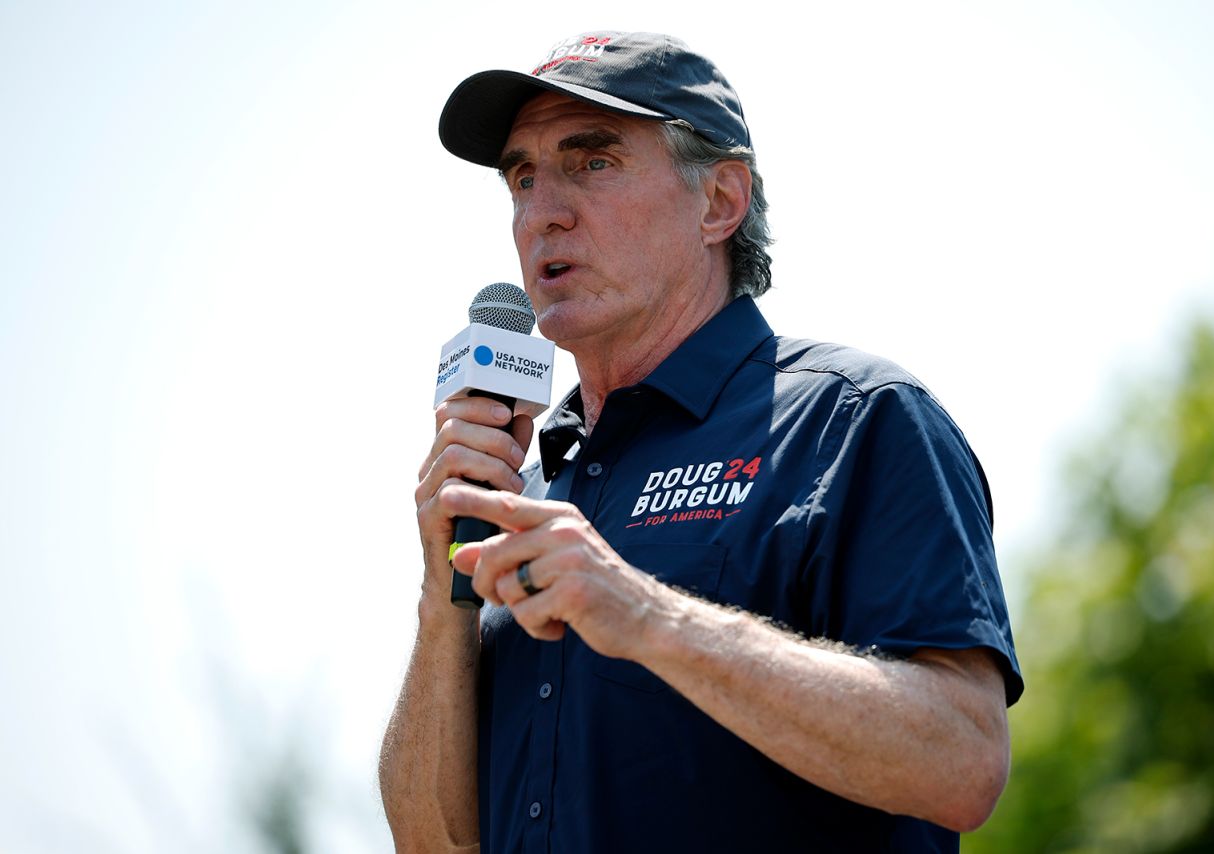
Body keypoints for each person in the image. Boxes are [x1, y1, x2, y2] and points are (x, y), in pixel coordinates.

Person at [380, 31, 1023, 853]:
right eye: (522, 176)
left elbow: (962, 763)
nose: (543, 212)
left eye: (593, 162)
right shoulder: (519, 487)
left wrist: (645, 614)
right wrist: (445, 596)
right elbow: (432, 844)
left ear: (720, 201)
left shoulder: (856, 422)